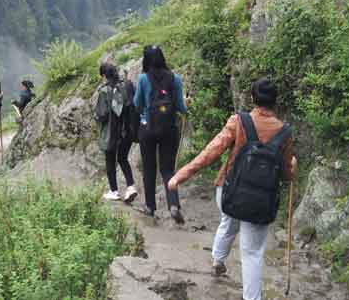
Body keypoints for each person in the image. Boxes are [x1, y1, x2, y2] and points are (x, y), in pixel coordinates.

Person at [168, 78, 297, 300]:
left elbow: (211, 152)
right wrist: (293, 168)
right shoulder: (284, 133)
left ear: (253, 99)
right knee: (253, 252)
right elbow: (286, 176)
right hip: (261, 203)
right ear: (276, 102)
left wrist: (180, 175)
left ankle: (218, 259)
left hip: (231, 194)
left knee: (228, 223)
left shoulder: (239, 122)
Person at [133, 45, 188, 223]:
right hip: (169, 129)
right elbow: (181, 107)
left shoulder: (142, 79)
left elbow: (137, 104)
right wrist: (187, 103)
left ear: (146, 60)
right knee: (168, 169)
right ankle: (173, 205)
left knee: (149, 169)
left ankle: (150, 207)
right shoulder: (175, 78)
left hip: (147, 129)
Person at [95, 63, 137, 203]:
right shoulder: (126, 85)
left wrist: (97, 118)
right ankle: (131, 186)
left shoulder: (105, 91)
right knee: (123, 158)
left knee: (110, 160)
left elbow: (102, 114)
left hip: (111, 132)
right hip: (128, 130)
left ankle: (114, 191)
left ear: (104, 76)